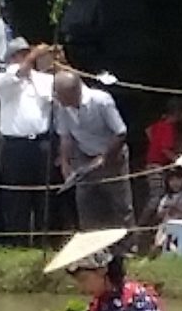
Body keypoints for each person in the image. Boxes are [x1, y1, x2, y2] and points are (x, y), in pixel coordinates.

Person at [53, 71, 133, 231]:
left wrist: (104, 158)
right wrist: (65, 162)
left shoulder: (101, 101)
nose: (60, 99)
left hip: (112, 156)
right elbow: (65, 136)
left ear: (76, 92)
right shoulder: (61, 106)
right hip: (84, 157)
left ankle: (127, 249)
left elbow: (120, 132)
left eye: (63, 96)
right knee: (86, 205)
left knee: (120, 205)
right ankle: (92, 250)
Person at [0, 43, 58, 237]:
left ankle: (44, 238)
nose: (24, 58)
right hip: (16, 146)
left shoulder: (45, 79)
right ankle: (17, 240)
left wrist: (58, 61)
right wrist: (33, 56)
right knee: (16, 196)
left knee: (44, 196)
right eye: (20, 55)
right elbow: (18, 74)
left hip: (41, 143)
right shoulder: (4, 79)